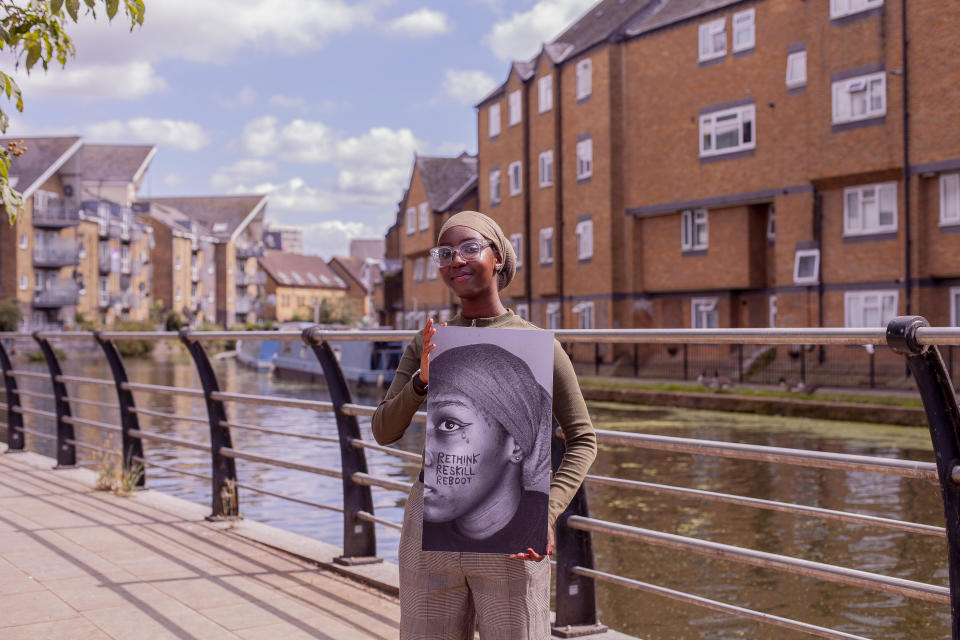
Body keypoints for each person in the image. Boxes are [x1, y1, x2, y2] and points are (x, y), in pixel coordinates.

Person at [371, 210, 597, 640]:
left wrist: (545, 512)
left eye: (470, 247)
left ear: (498, 258)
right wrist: (422, 381)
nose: (456, 260)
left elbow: (583, 439)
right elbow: (384, 430)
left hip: (513, 535)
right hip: (429, 524)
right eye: (445, 252)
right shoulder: (427, 342)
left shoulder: (536, 344)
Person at [421, 342, 553, 554]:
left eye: (449, 425)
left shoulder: (548, 529)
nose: (424, 457)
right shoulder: (422, 528)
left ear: (516, 445)